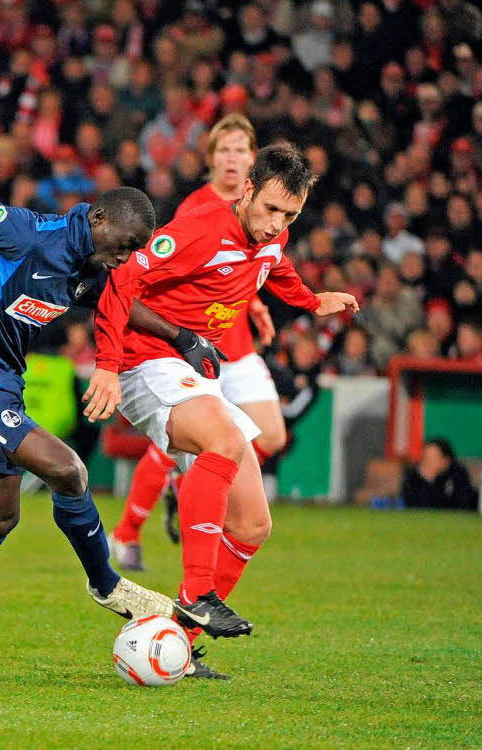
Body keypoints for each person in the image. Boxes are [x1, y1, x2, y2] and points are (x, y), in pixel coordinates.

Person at [0, 184, 208, 670]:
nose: (129, 255)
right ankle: (107, 585)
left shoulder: (84, 267)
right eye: (127, 243)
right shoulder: (25, 231)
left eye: (137, 249)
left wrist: (183, 337)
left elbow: (117, 305)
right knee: (67, 470)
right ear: (99, 217)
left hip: (0, 385)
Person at [84, 143, 359, 679]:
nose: (276, 223)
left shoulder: (272, 235)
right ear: (248, 190)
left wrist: (308, 301)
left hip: (194, 371)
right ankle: (198, 592)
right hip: (148, 362)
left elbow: (273, 266)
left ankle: (178, 647)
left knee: (253, 523)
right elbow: (118, 283)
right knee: (227, 440)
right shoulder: (199, 229)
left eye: (290, 215)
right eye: (271, 209)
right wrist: (106, 365)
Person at [110, 115, 288, 570]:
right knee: (199, 436)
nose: (233, 159)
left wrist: (255, 303)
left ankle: (190, 487)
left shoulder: (274, 208)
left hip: (236, 338)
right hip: (189, 344)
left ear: (254, 162)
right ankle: (131, 532)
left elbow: (244, 270)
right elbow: (182, 271)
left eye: (241, 151)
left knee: (271, 433)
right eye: (224, 150)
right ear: (211, 158)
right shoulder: (198, 207)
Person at [402, 439, 479, 511]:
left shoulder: (458, 475)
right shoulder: (413, 476)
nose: (426, 463)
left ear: (445, 461)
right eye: (424, 458)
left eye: (432, 459)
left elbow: (463, 506)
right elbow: (414, 507)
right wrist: (427, 482)